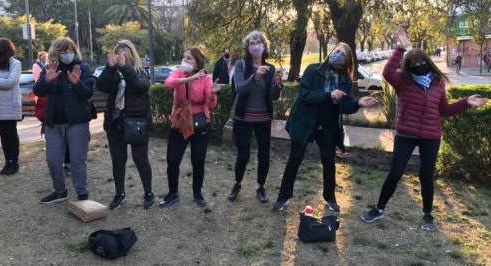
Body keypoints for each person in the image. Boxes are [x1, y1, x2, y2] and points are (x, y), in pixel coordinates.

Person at [361, 27, 487, 231]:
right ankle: (379, 209)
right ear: (408, 66)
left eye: (421, 62)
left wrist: (465, 102)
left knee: (426, 176)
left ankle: (427, 214)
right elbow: (387, 72)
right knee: (395, 173)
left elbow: (444, 110)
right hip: (406, 135)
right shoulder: (403, 80)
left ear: (427, 62)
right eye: (413, 64)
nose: (418, 65)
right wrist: (400, 49)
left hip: (431, 136)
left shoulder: (437, 83)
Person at [272, 43, 377, 212]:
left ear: (347, 60)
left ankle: (330, 197)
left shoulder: (345, 79)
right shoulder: (313, 70)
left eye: (344, 54)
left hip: (328, 125)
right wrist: (329, 95)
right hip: (305, 122)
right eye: (337, 51)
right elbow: (306, 95)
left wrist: (358, 103)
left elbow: (345, 105)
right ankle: (283, 196)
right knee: (295, 159)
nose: (339, 55)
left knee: (329, 161)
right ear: (331, 52)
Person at [34, 37, 95, 204]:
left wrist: (77, 83)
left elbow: (88, 93)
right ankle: (59, 191)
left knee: (77, 159)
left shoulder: (82, 68)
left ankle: (81, 191)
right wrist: (47, 80)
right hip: (54, 122)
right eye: (63, 51)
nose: (68, 53)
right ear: (56, 52)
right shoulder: (50, 68)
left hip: (77, 121)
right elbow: (38, 91)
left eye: (70, 50)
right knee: (53, 159)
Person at [96, 40, 155, 210]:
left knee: (140, 159)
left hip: (136, 122)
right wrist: (110, 67)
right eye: (118, 54)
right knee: (118, 160)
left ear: (130, 54)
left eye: (123, 54)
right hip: (116, 123)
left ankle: (148, 193)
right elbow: (101, 86)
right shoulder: (113, 73)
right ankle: (119, 194)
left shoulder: (140, 72)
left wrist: (124, 67)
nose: (121, 57)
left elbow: (138, 86)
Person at [160, 47, 220, 208]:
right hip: (179, 121)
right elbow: (168, 83)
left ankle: (197, 193)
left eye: (189, 59)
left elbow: (210, 104)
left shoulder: (206, 78)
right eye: (184, 57)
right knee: (172, 160)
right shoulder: (179, 73)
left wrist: (213, 94)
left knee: (198, 160)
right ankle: (173, 194)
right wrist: (188, 79)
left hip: (200, 122)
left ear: (197, 62)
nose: (184, 61)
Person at [228, 31, 283, 203]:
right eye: (252, 43)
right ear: (247, 47)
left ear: (264, 46)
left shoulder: (271, 68)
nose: (256, 45)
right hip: (243, 118)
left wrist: (278, 86)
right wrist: (255, 76)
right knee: (243, 154)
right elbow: (240, 89)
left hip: (263, 119)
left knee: (264, 154)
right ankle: (237, 184)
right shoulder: (241, 65)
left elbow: (273, 97)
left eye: (259, 42)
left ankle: (260, 186)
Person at [0, 38, 22, 175]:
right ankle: (7, 161)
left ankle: (13, 162)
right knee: (2, 134)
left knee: (11, 134)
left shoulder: (15, 63)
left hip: (9, 104)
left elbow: (10, 82)